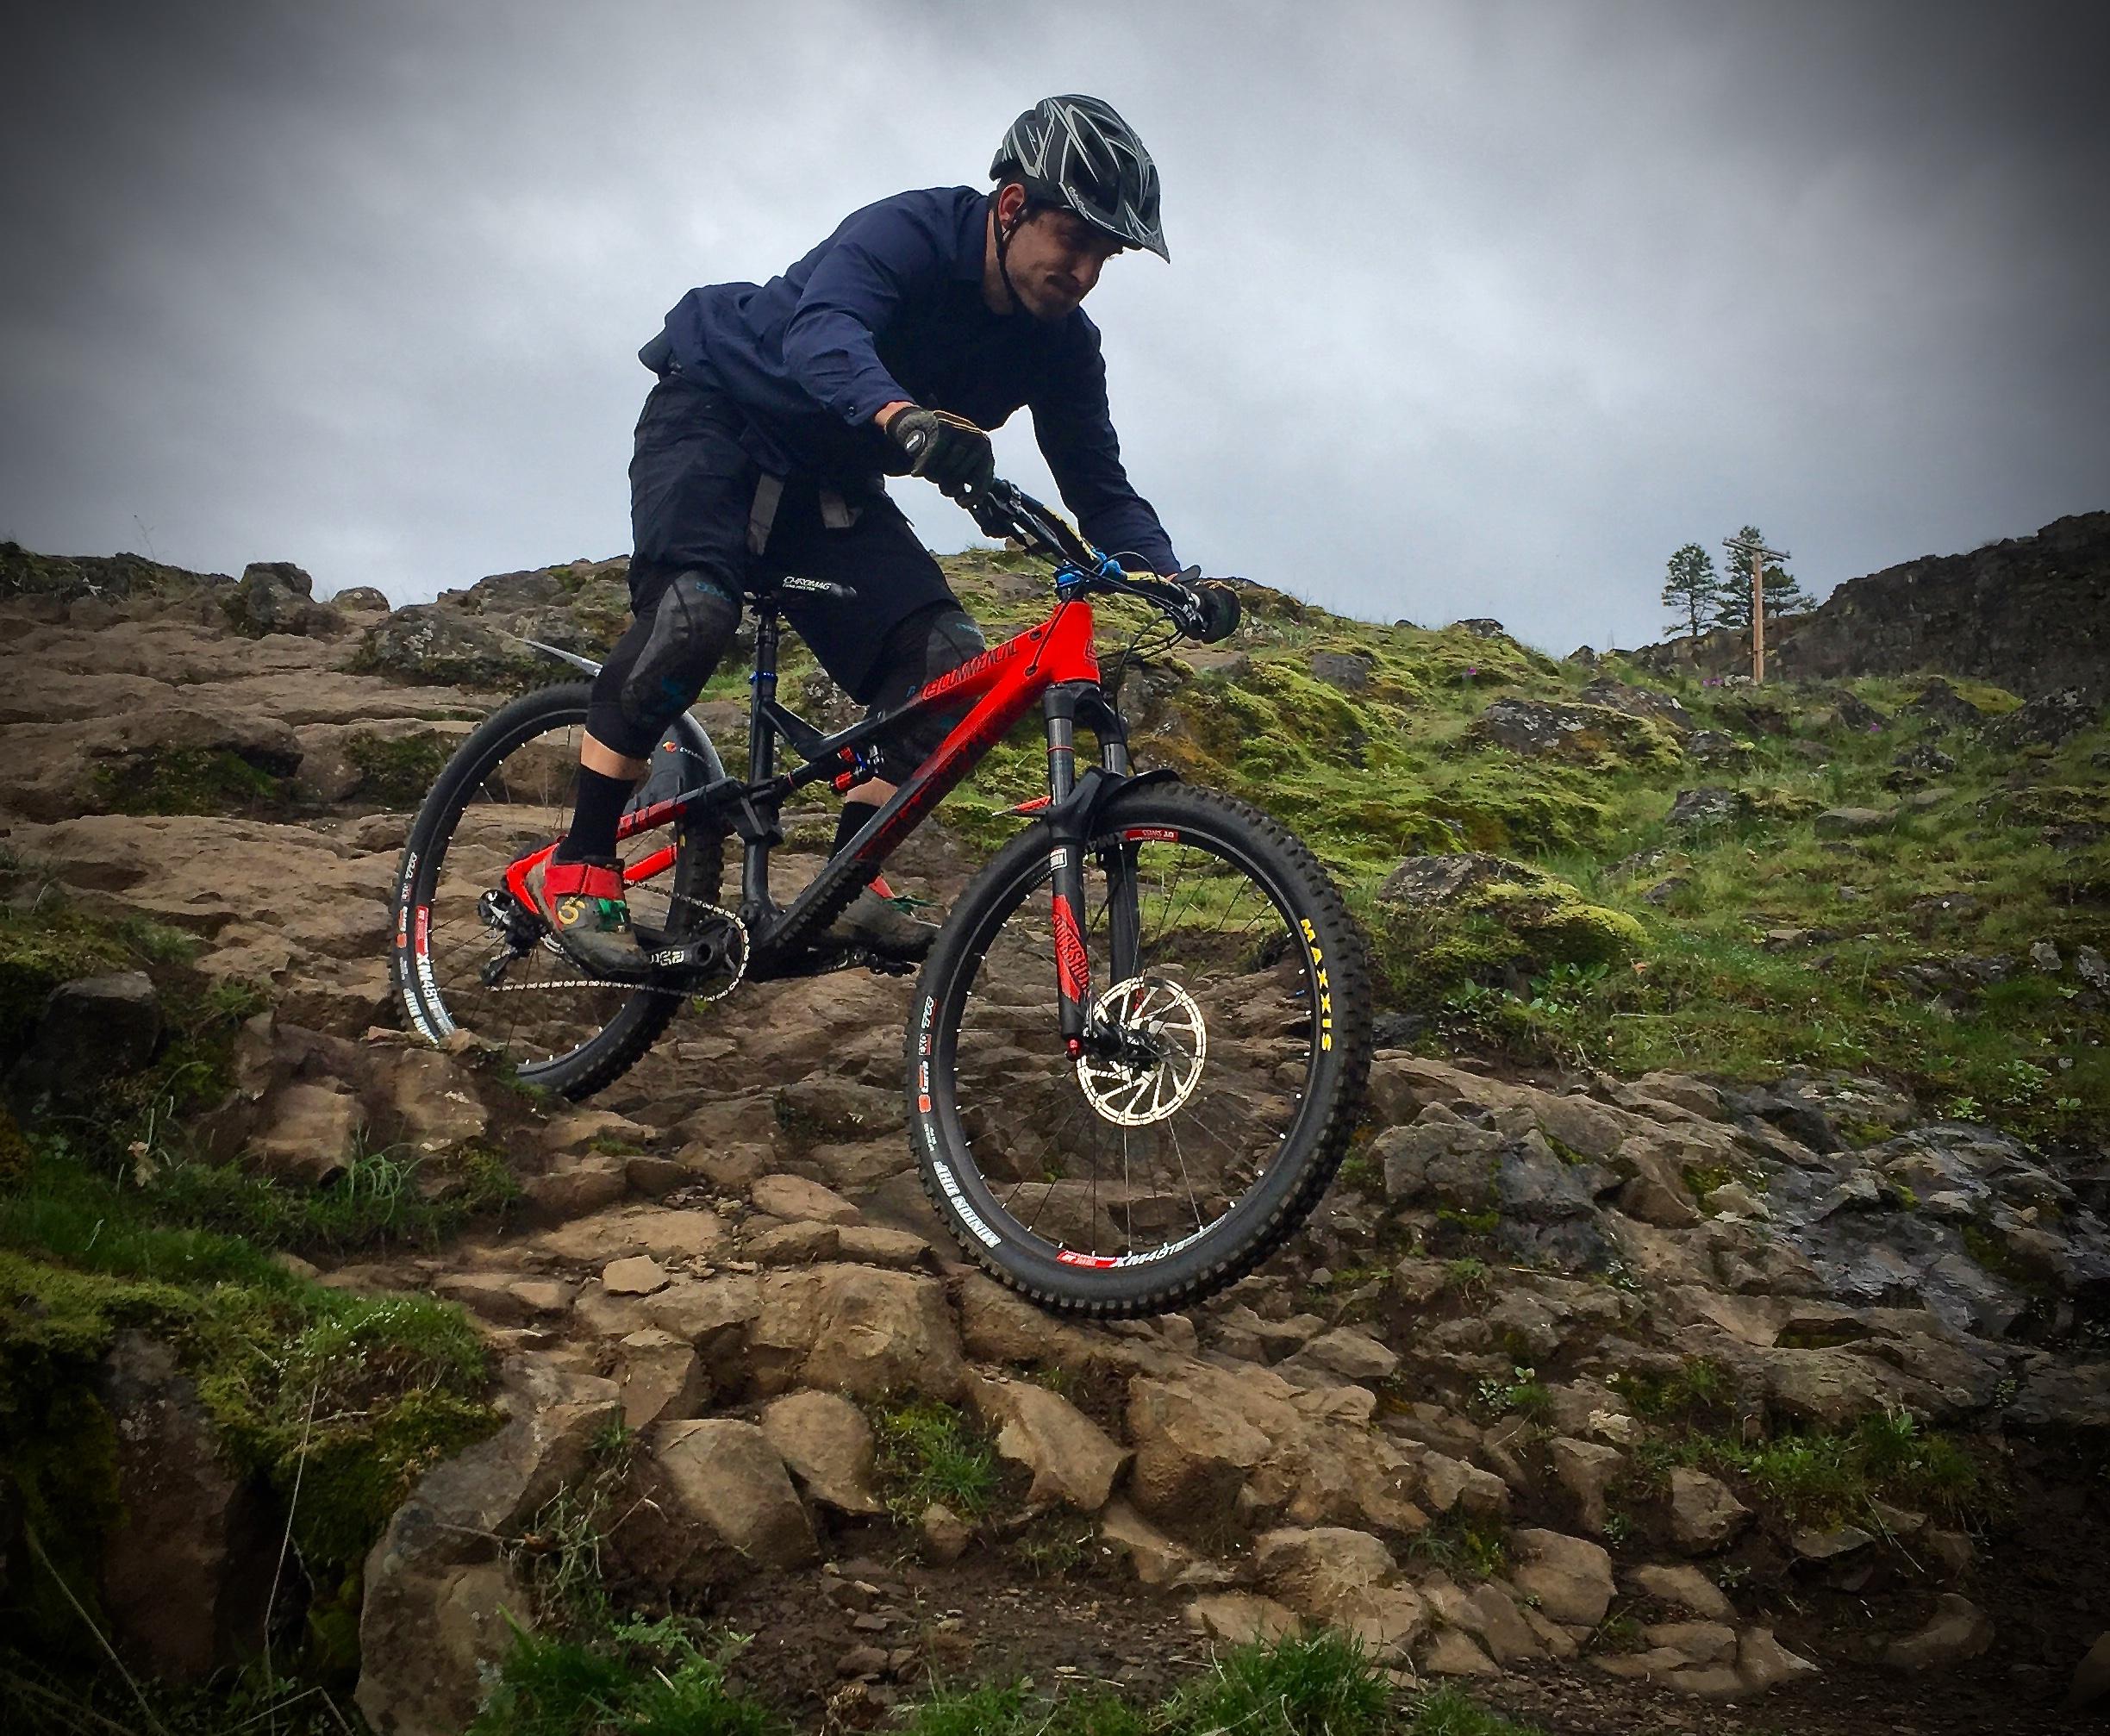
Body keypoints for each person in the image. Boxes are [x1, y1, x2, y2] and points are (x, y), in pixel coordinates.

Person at [529, 94, 1208, 976]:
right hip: (716, 417)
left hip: (830, 480)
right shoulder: (910, 233)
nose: (1083, 271)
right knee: (694, 614)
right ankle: (580, 861)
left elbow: (1099, 483)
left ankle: (851, 882)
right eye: (1072, 241)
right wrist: (901, 416)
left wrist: (1172, 580)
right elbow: (824, 333)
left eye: (1102, 256)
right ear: (1012, 208)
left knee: (949, 667)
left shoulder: (1063, 345)